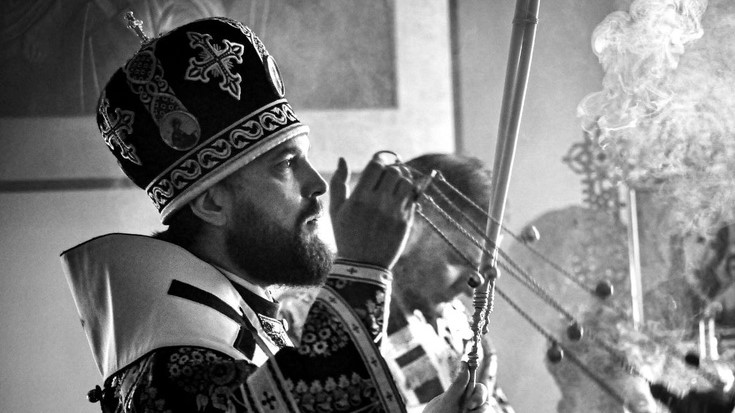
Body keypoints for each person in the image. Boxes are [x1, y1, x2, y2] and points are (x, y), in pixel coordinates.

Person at [60, 16, 490, 413]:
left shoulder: (240, 309)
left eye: (305, 158)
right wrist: (361, 269)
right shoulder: (173, 360)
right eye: (285, 164)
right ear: (213, 203)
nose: (317, 183)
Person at [279, 154, 514, 413]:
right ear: (405, 228)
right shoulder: (304, 319)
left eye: (482, 270)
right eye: (459, 260)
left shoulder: (462, 329)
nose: (473, 288)